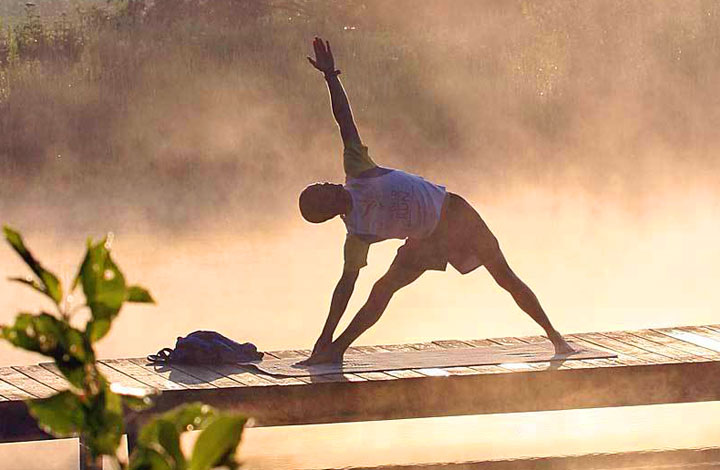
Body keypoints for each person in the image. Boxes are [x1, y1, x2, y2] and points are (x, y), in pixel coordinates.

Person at [298, 37, 574, 365]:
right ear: (326, 211)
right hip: (424, 241)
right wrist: (325, 333)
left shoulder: (357, 170)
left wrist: (331, 77)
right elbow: (346, 287)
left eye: (321, 184)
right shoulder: (358, 233)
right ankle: (334, 350)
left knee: (503, 276)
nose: (327, 184)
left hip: (454, 215)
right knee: (382, 290)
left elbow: (344, 119)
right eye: (321, 192)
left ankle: (555, 337)